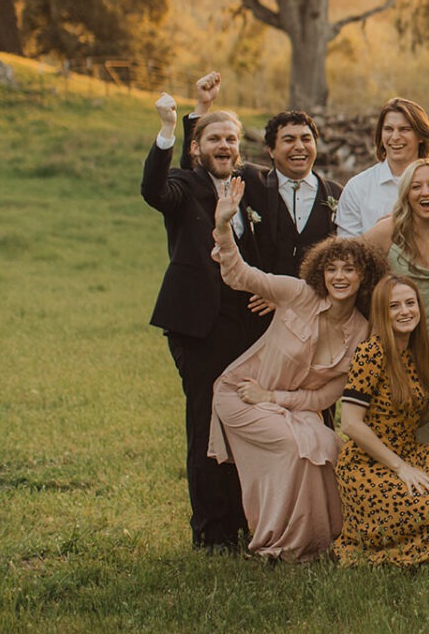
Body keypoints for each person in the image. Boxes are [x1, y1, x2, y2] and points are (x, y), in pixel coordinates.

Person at [206, 177, 385, 561]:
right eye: (332, 268)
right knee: (296, 447)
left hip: (286, 404)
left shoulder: (361, 332)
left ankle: (321, 541)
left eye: (349, 270)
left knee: (327, 444)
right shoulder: (297, 295)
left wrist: (276, 398)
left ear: (363, 277)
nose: (339, 277)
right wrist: (223, 226)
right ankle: (275, 543)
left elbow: (326, 395)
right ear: (320, 272)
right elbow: (240, 275)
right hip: (240, 394)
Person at [143, 89, 269, 552]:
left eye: (232, 139)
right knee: (207, 421)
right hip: (198, 326)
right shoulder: (183, 186)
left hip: (249, 327)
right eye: (214, 137)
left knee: (244, 422)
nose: (225, 146)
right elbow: (152, 189)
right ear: (196, 147)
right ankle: (212, 532)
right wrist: (169, 127)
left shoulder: (249, 185)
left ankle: (245, 521)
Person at [333, 275, 429, 566]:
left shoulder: (412, 353)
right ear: (383, 314)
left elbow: (414, 421)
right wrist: (401, 467)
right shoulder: (371, 352)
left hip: (405, 448)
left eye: (410, 303)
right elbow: (350, 423)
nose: (405, 311)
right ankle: (374, 543)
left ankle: (423, 530)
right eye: (394, 306)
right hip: (368, 461)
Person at [181, 72, 344, 277]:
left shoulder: (336, 193)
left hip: (315, 303)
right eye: (289, 140)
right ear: (271, 150)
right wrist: (202, 108)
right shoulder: (249, 180)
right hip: (259, 302)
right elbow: (199, 170)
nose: (299, 147)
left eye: (306, 139)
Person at [363, 159, 429, 446]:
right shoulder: (389, 231)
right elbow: (345, 267)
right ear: (406, 194)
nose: (426, 192)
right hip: (400, 346)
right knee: (399, 428)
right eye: (416, 186)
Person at [336, 97, 429, 236]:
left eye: (404, 129)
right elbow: (347, 249)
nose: (395, 137)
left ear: (420, 136)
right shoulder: (357, 188)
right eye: (388, 129)